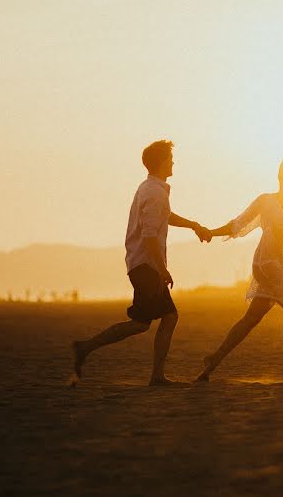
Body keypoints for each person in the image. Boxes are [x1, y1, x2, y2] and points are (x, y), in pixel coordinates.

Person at [71, 140, 212, 386]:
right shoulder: (155, 193)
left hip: (141, 265)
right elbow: (148, 237)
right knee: (169, 317)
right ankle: (156, 376)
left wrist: (193, 226)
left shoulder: (152, 189)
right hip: (146, 266)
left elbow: (165, 218)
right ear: (161, 162)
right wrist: (162, 269)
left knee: (140, 323)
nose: (173, 162)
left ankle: (85, 347)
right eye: (170, 158)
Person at [196, 158, 283, 382]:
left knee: (251, 318)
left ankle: (213, 360)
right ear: (281, 178)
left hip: (277, 268)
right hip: (266, 264)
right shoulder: (266, 201)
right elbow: (237, 224)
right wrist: (211, 232)